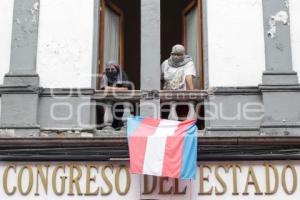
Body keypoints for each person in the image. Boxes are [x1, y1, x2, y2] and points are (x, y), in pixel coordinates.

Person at [161, 44, 196, 120]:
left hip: (182, 92)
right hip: (168, 91)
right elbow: (161, 79)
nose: (176, 56)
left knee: (190, 104)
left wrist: (192, 92)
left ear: (183, 54)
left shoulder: (188, 63)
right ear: (171, 54)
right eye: (174, 54)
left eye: (179, 54)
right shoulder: (165, 63)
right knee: (171, 104)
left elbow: (188, 76)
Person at [99, 61, 130, 129]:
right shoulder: (105, 75)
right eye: (108, 69)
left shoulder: (122, 75)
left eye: (112, 69)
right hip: (109, 100)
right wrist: (118, 89)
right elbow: (103, 88)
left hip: (121, 100)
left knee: (119, 112)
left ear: (117, 69)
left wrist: (110, 88)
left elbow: (125, 89)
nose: (110, 71)